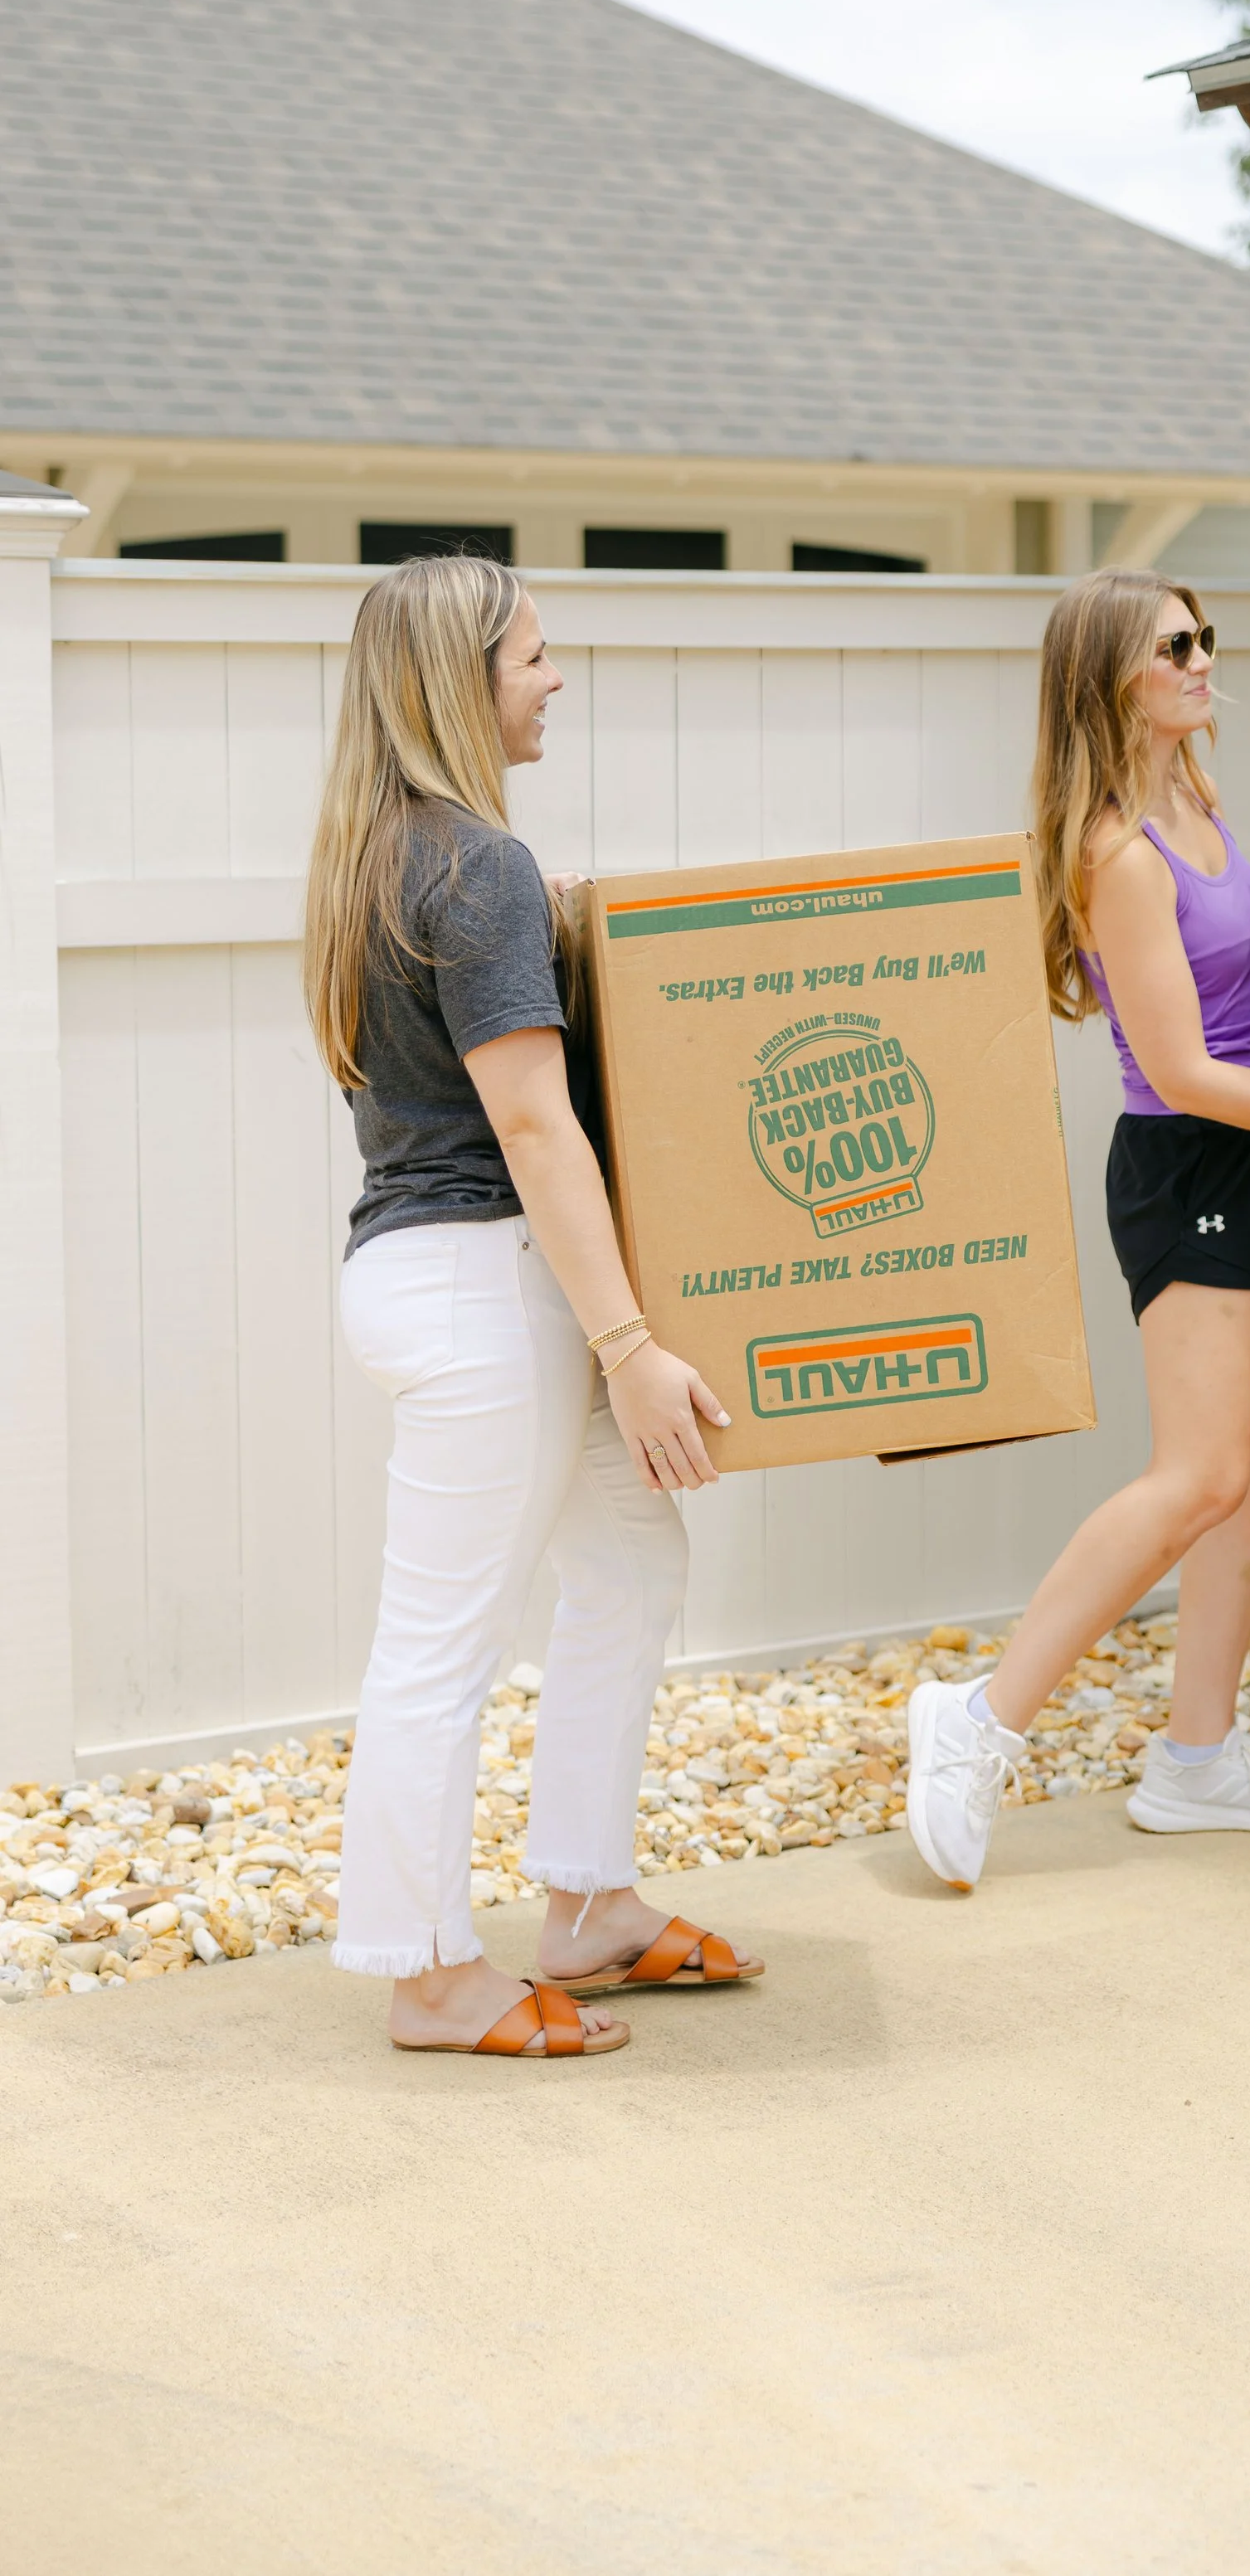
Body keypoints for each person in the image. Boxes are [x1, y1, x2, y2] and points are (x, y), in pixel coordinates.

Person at [903, 570, 1250, 1891]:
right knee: (1199, 1472)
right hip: (1192, 1158)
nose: (1206, 658)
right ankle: (980, 1721)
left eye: (1205, 635)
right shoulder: (1115, 851)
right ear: (1116, 678)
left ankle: (1198, 1757)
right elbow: (1187, 1065)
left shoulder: (1204, 798)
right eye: (1177, 645)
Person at [303, 554, 761, 2058]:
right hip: (490, 1285)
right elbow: (534, 1124)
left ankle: (587, 1903)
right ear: (462, 681)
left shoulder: (383, 857)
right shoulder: (476, 866)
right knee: (439, 1641)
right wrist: (630, 1347)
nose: (555, 679)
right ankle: (426, 1970)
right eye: (534, 658)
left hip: (433, 1274)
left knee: (630, 1558)